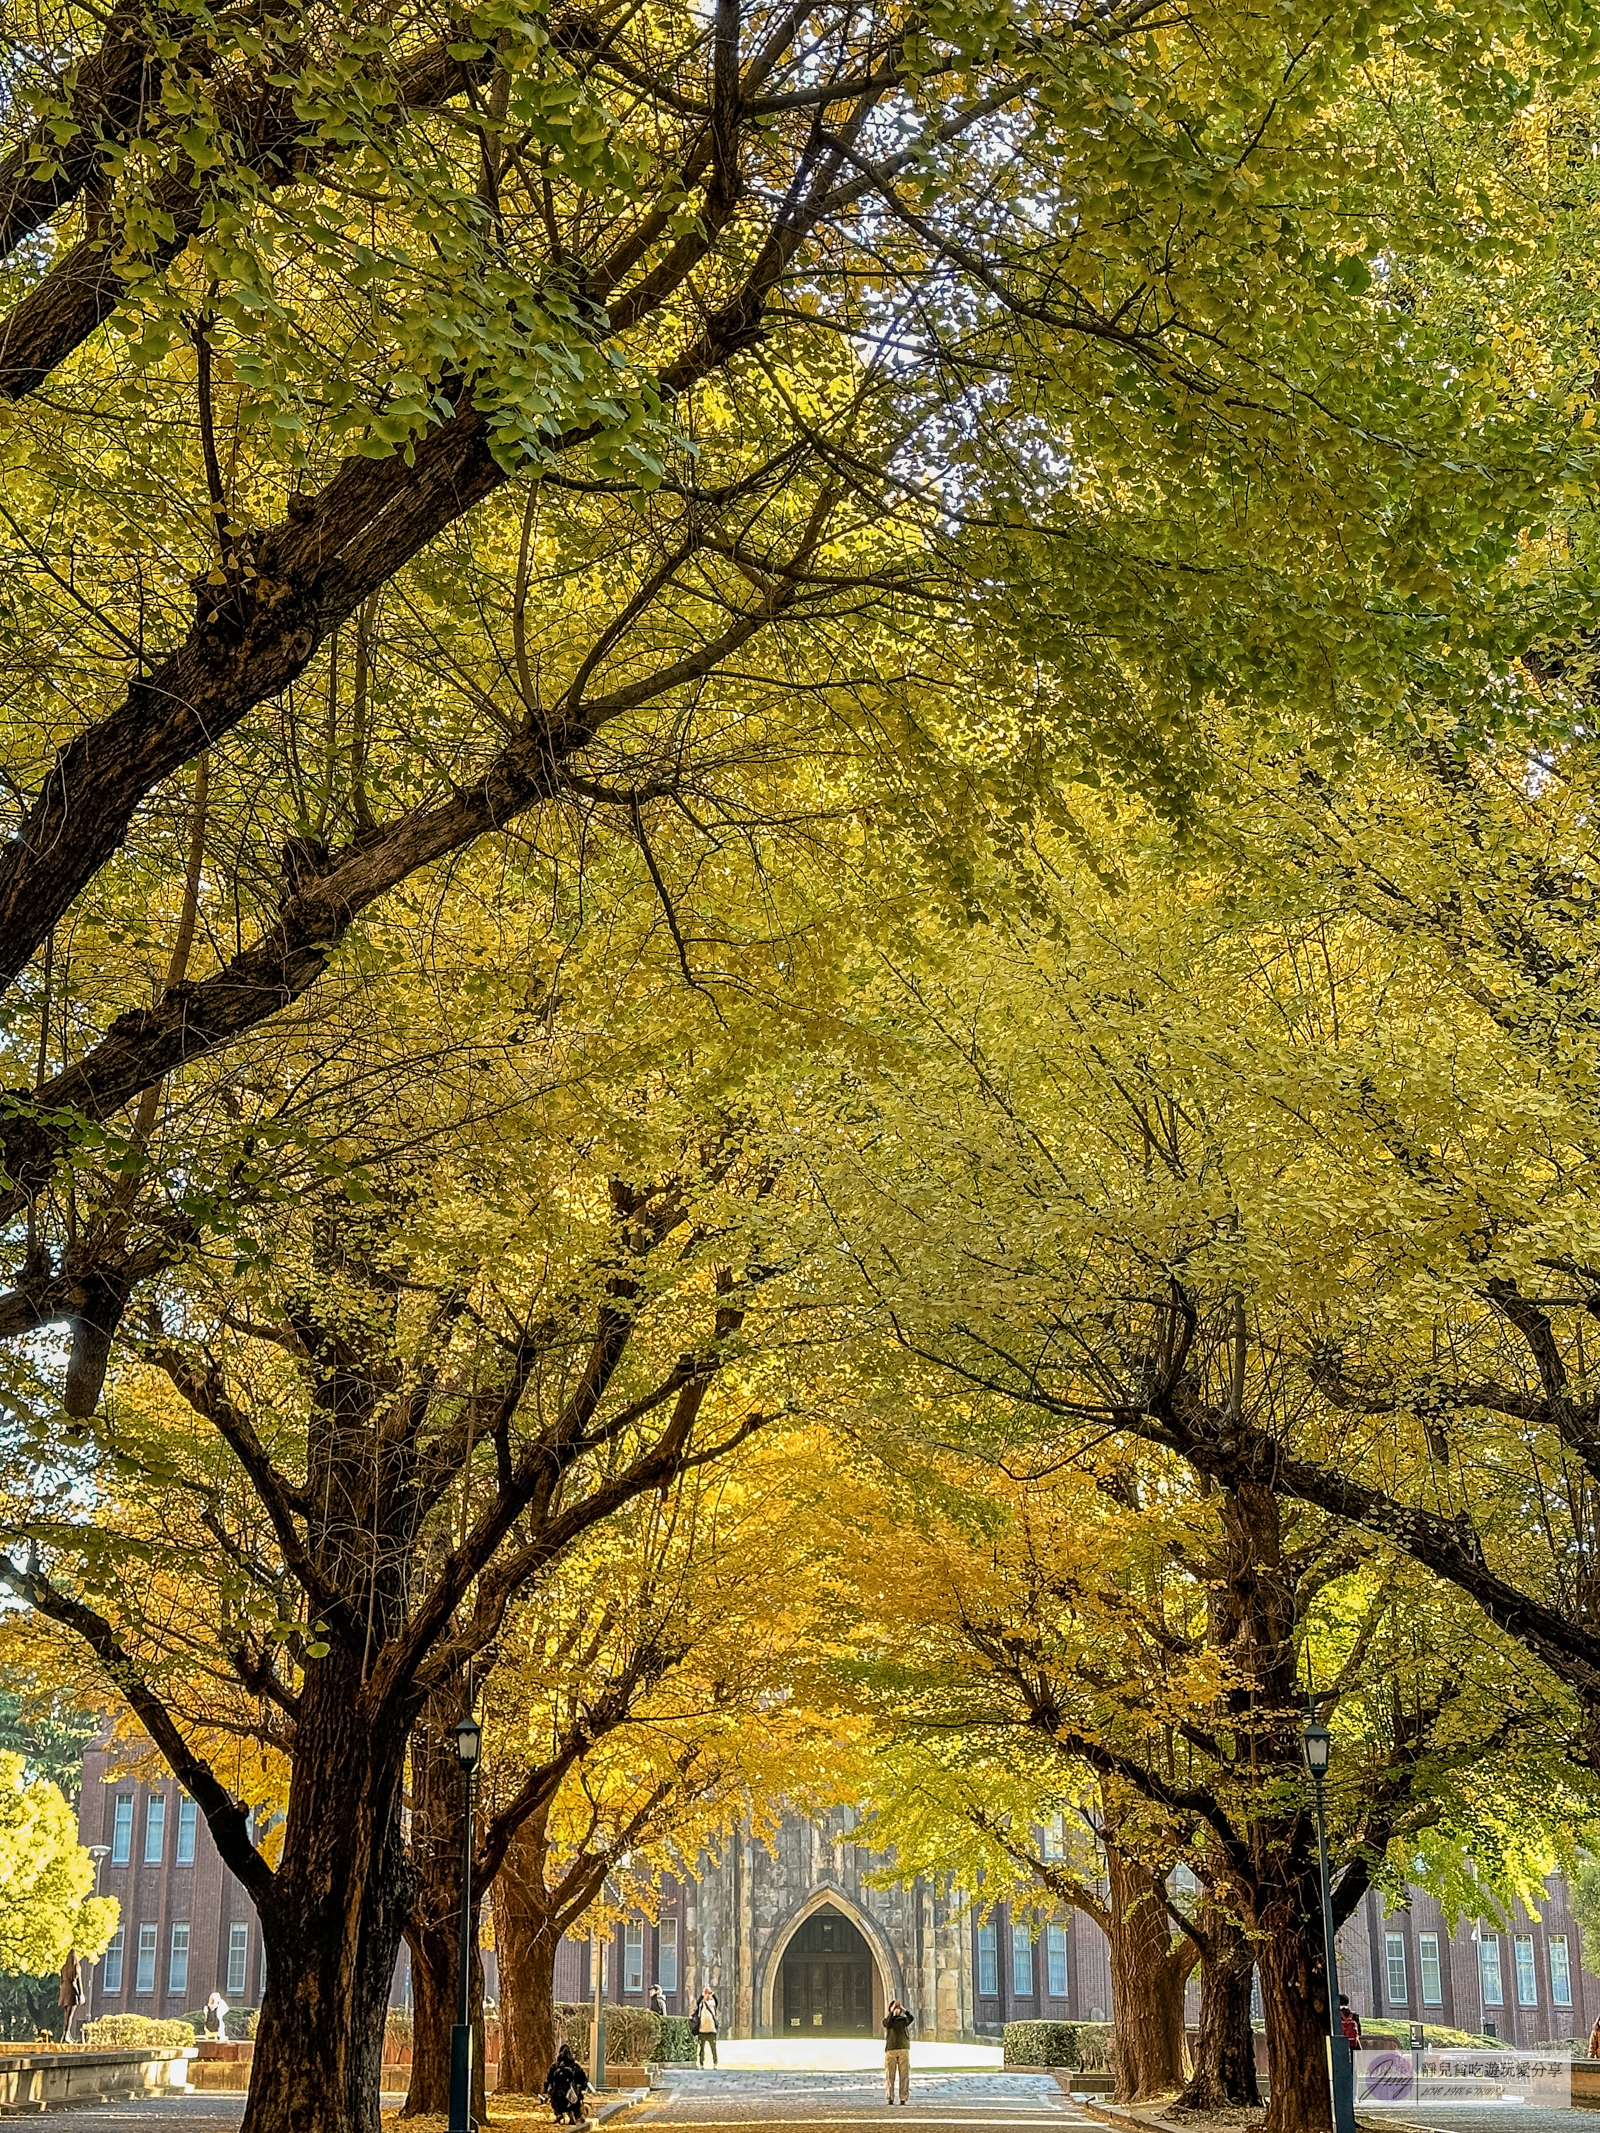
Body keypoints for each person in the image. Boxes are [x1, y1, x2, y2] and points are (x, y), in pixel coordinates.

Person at [545, 2043, 590, 2125]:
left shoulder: (555, 2067)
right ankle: (577, 2115)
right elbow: (583, 2082)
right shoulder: (575, 2067)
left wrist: (547, 2091)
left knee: (555, 2096)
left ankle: (558, 2113)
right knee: (577, 2094)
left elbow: (548, 2081)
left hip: (556, 2098)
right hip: (572, 2098)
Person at [883, 1998, 913, 2104]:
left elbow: (911, 2018)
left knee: (904, 2074)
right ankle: (890, 2097)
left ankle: (903, 2098)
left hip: (903, 2049)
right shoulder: (889, 2020)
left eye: (898, 2007)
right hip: (891, 2049)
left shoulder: (903, 2020)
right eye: (894, 2007)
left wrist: (904, 2010)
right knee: (890, 2074)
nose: (897, 2009)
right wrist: (891, 2013)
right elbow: (886, 2024)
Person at [57, 1952, 84, 2043]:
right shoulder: (76, 1967)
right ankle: (66, 2035)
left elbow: (61, 1982)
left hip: (64, 1992)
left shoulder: (64, 1968)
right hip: (72, 1991)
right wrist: (81, 1994)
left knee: (66, 2015)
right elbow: (79, 1981)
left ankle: (65, 2035)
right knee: (70, 2015)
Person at [693, 1985, 719, 2067]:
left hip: (711, 2029)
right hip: (702, 2029)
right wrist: (702, 1995)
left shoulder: (712, 2003)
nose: (707, 1995)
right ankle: (701, 2062)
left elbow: (716, 2002)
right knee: (701, 2048)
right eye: (706, 1993)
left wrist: (712, 1994)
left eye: (709, 1993)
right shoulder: (701, 2003)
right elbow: (698, 2003)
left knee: (713, 2048)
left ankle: (715, 2062)